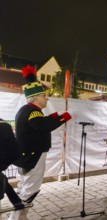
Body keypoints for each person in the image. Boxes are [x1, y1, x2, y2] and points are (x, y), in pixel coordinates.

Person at [14, 65, 72, 203]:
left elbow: (41, 122)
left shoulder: (27, 110)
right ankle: (17, 216)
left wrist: (55, 116)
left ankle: (20, 216)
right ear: (35, 97)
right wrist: (65, 116)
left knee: (25, 186)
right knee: (30, 189)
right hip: (34, 156)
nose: (47, 99)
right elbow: (43, 126)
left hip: (28, 156)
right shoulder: (32, 112)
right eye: (44, 96)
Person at [0, 119, 26, 210]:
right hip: (6, 160)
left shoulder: (4, 125)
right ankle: (17, 202)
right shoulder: (5, 125)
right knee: (2, 178)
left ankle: (17, 202)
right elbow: (14, 148)